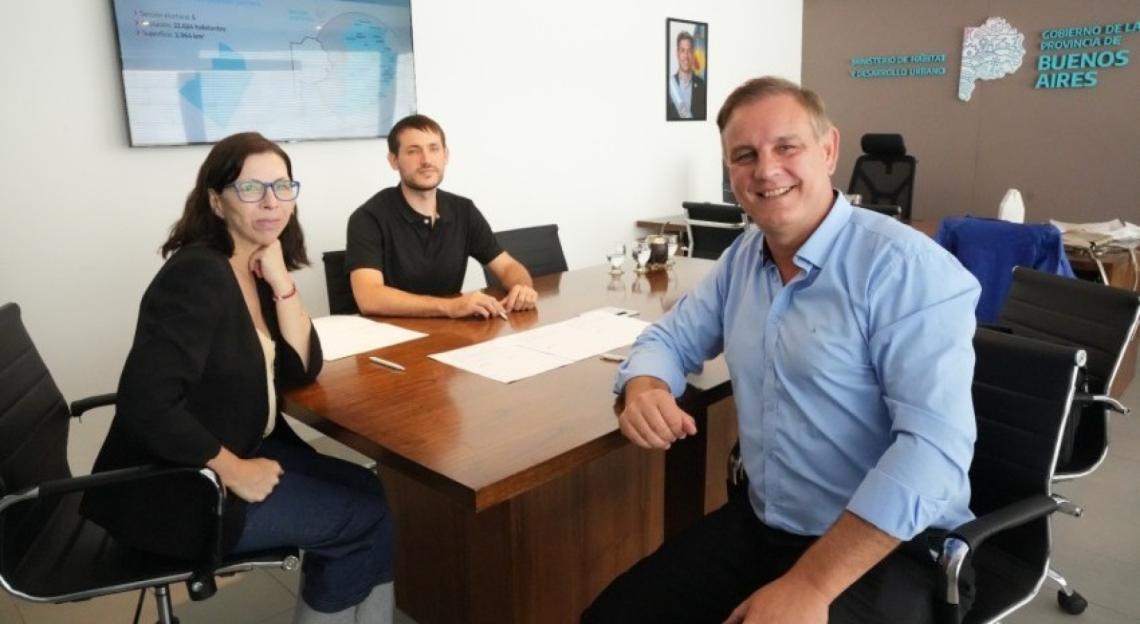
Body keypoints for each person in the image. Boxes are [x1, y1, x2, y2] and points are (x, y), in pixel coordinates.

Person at [583, 77, 981, 623]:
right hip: (766, 524)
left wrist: (811, 584)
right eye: (744, 156)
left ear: (829, 150)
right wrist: (645, 385)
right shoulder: (744, 258)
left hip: (894, 545)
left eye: (786, 147)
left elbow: (933, 454)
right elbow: (668, 339)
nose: (766, 171)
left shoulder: (907, 270)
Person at [81, 132, 394, 624]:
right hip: (179, 486)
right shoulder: (198, 274)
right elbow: (146, 402)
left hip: (244, 445)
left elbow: (301, 366)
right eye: (251, 188)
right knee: (361, 519)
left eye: (282, 186)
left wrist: (282, 281)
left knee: (371, 492)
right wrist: (233, 469)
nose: (271, 201)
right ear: (216, 201)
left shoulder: (251, 266)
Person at [345, 114, 538, 318]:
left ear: (445, 156)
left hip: (450, 331)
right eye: (413, 151)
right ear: (394, 160)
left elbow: (507, 266)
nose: (426, 160)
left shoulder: (464, 210)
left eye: (434, 149)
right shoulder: (367, 218)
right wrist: (450, 307)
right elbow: (369, 297)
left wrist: (522, 287)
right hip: (392, 333)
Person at [666, 30, 707, 120]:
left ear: (693, 54)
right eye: (682, 51)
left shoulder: (702, 86)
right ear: (677, 54)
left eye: (689, 51)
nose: (686, 56)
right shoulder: (669, 86)